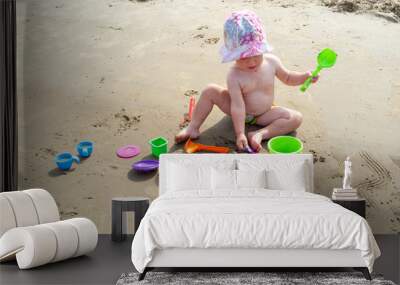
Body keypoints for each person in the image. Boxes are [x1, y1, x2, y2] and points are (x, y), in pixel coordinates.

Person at [175, 10, 318, 152]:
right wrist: (240, 134)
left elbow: (288, 78)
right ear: (234, 55)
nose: (251, 62)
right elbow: (237, 106)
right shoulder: (235, 75)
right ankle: (193, 127)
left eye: (255, 54)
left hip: (263, 114)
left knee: (296, 118)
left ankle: (260, 134)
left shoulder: (271, 62)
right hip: (237, 109)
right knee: (209, 91)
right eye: (243, 57)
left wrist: (305, 77)